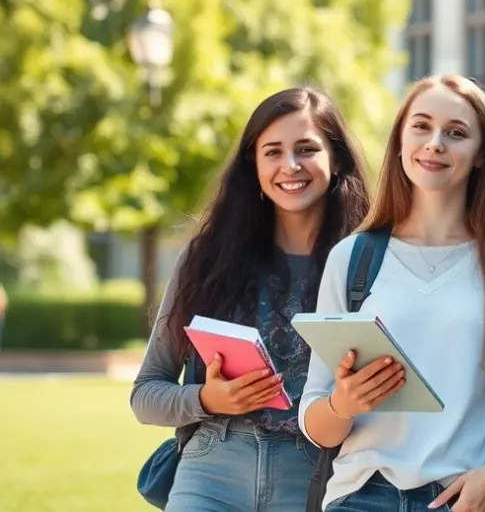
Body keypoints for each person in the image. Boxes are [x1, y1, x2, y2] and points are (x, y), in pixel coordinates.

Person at [299, 75, 485, 512]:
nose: (435, 142)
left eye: (456, 133)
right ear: (400, 141)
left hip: (465, 497)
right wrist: (343, 404)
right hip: (360, 496)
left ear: (480, 156)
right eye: (421, 126)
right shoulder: (353, 258)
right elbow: (316, 420)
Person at [131, 87, 372, 511]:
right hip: (211, 465)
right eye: (273, 152)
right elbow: (146, 394)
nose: (290, 165)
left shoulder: (367, 265)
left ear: (335, 160)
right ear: (254, 167)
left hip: (315, 473)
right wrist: (207, 400)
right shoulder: (207, 258)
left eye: (306, 149)